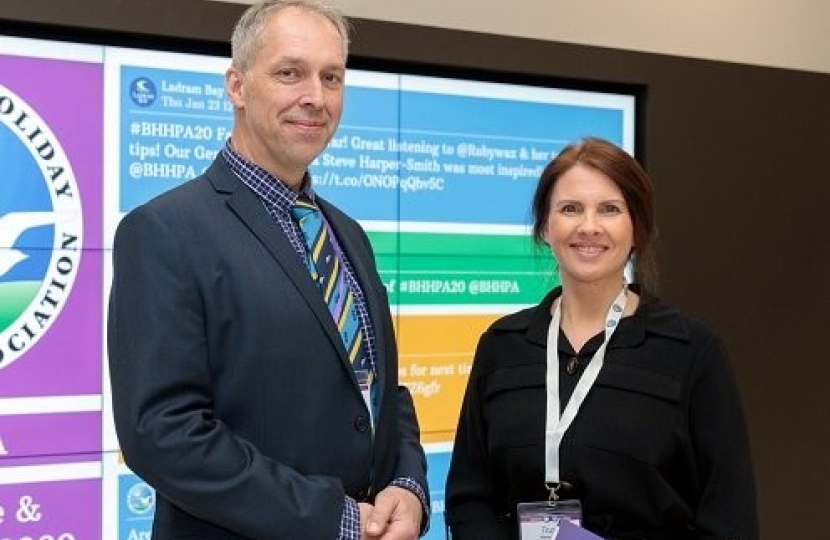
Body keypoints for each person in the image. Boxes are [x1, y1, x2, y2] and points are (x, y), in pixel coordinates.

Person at [107, 2, 429, 540]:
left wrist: (408, 486)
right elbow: (163, 434)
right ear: (236, 85)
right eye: (290, 73)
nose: (316, 97)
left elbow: (376, 387)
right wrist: (337, 518)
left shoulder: (347, 234)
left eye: (332, 77)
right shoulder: (163, 231)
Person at [444, 137, 758, 540]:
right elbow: (469, 497)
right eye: (570, 208)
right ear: (544, 226)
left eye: (609, 209)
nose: (588, 226)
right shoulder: (502, 346)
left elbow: (729, 518)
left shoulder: (692, 351)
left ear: (637, 228)